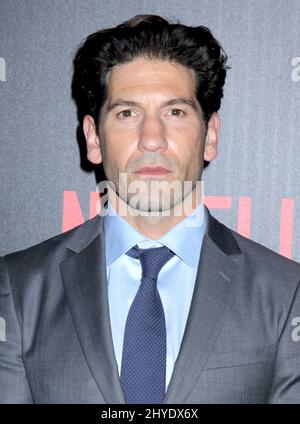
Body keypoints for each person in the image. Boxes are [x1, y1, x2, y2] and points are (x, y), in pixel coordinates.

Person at [1, 14, 300, 405]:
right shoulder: (19, 288)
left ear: (210, 136)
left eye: (175, 112)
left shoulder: (286, 292)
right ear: (93, 138)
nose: (152, 139)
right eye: (127, 113)